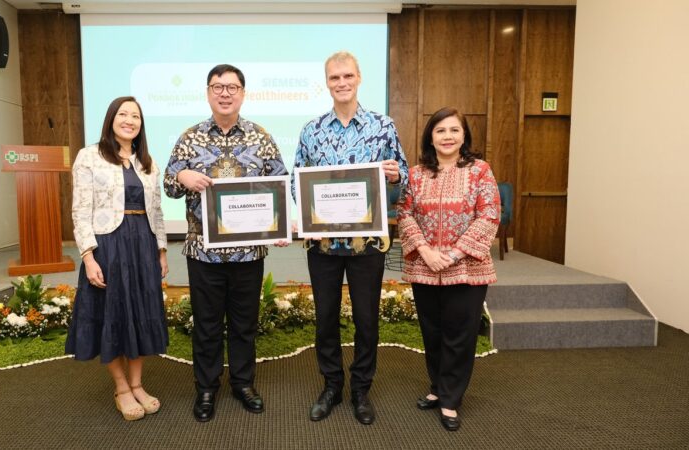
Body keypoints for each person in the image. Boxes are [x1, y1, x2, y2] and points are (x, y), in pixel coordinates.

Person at [163, 64, 288, 422]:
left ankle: (243, 383)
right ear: (208, 92)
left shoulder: (261, 136)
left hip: (249, 252)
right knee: (206, 323)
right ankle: (206, 387)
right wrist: (181, 175)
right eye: (218, 86)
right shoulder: (190, 137)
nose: (225, 93)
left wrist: (279, 226)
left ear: (243, 93)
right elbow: (169, 186)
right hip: (203, 251)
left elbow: (279, 184)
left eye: (232, 86)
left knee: (245, 321)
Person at [292, 51, 409, 425]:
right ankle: (331, 386)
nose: (341, 83)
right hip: (323, 246)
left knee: (366, 319)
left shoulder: (383, 125)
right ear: (326, 83)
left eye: (347, 76)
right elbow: (297, 185)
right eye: (333, 78)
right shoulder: (311, 130)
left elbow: (403, 176)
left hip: (367, 245)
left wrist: (393, 175)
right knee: (325, 318)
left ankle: (361, 390)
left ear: (359, 78)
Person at [65, 96, 169, 422]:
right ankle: (121, 388)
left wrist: (162, 250)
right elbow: (80, 209)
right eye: (123, 114)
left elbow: (157, 212)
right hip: (108, 245)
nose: (129, 120)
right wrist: (88, 256)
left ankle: (138, 384)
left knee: (140, 312)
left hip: (143, 245)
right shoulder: (89, 157)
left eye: (135, 116)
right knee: (111, 312)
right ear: (111, 119)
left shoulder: (147, 162)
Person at [397, 106, 500, 432]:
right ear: (431, 135)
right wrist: (425, 250)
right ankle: (437, 386)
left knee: (460, 335)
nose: (447, 136)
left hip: (467, 269)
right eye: (440, 130)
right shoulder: (415, 174)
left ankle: (450, 400)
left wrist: (454, 253)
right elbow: (404, 213)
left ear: (464, 135)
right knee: (433, 332)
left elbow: (489, 215)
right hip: (425, 267)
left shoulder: (480, 171)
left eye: (454, 130)